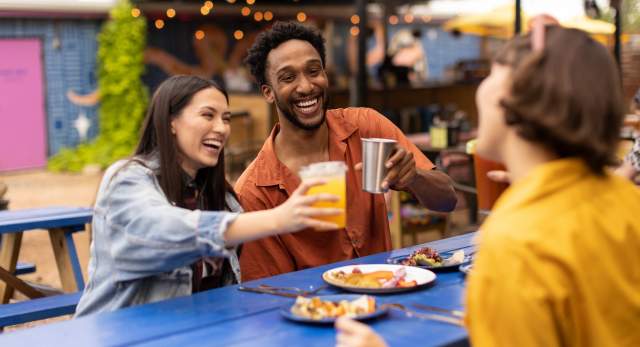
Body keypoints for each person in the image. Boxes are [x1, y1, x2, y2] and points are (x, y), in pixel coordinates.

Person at [335, 25, 640, 346]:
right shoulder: (624, 199)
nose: (479, 88)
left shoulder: (516, 243)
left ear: (513, 101)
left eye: (492, 74)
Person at [75, 75, 341, 317]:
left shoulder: (221, 197)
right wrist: (278, 218)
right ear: (171, 122)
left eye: (225, 118)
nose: (222, 128)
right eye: (207, 115)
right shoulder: (127, 179)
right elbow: (164, 229)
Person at [236, 21, 457, 281]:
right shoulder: (254, 192)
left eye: (314, 70)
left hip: (386, 299)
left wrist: (415, 179)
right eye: (288, 77)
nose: (306, 86)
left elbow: (447, 200)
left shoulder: (366, 127)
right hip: (315, 313)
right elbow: (269, 293)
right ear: (268, 93)